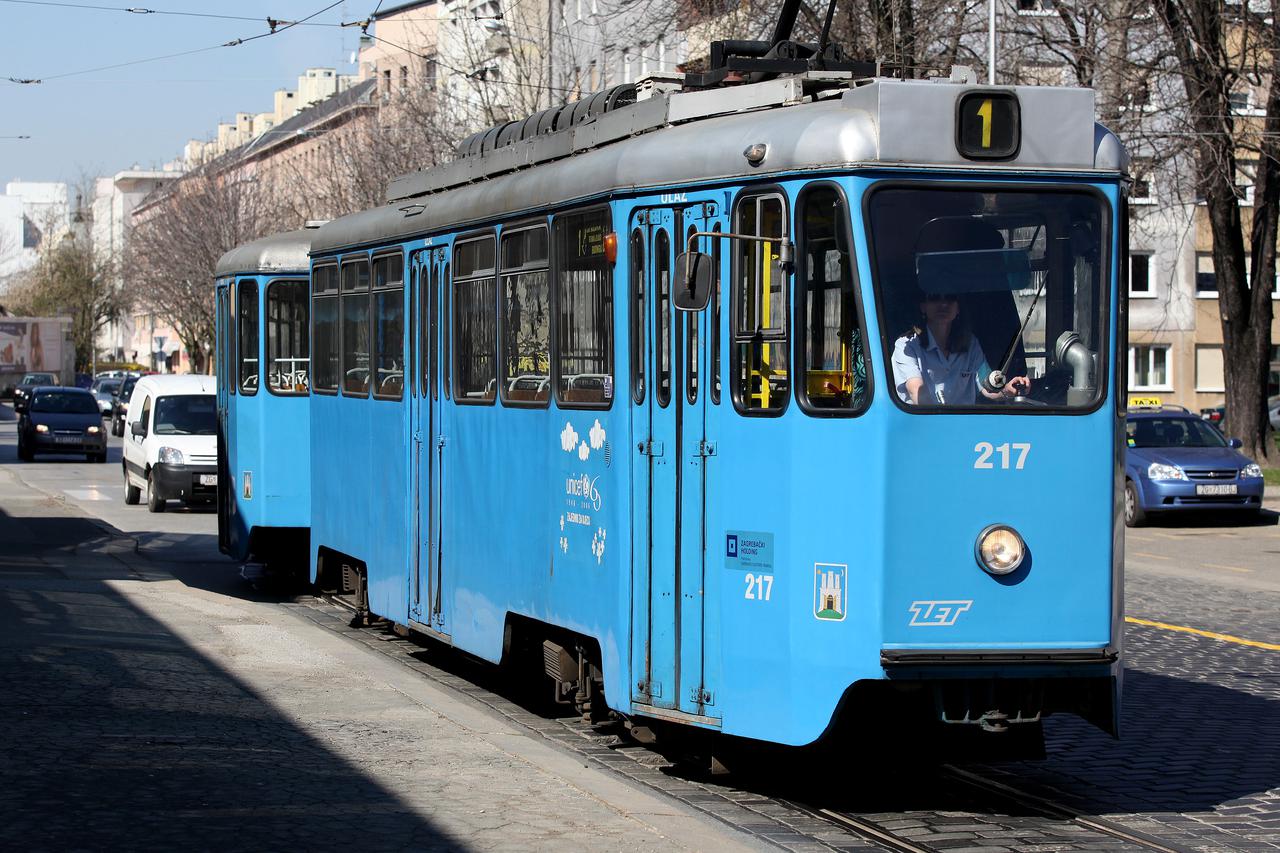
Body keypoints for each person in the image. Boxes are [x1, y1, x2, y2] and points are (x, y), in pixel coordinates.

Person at [891, 292, 1030, 406]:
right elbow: (917, 392)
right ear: (923, 307)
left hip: (964, 425)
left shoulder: (971, 344)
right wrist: (940, 420)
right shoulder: (907, 346)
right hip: (923, 425)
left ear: (958, 308)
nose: (943, 304)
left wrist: (1007, 390)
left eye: (950, 298)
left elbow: (986, 386)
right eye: (935, 298)